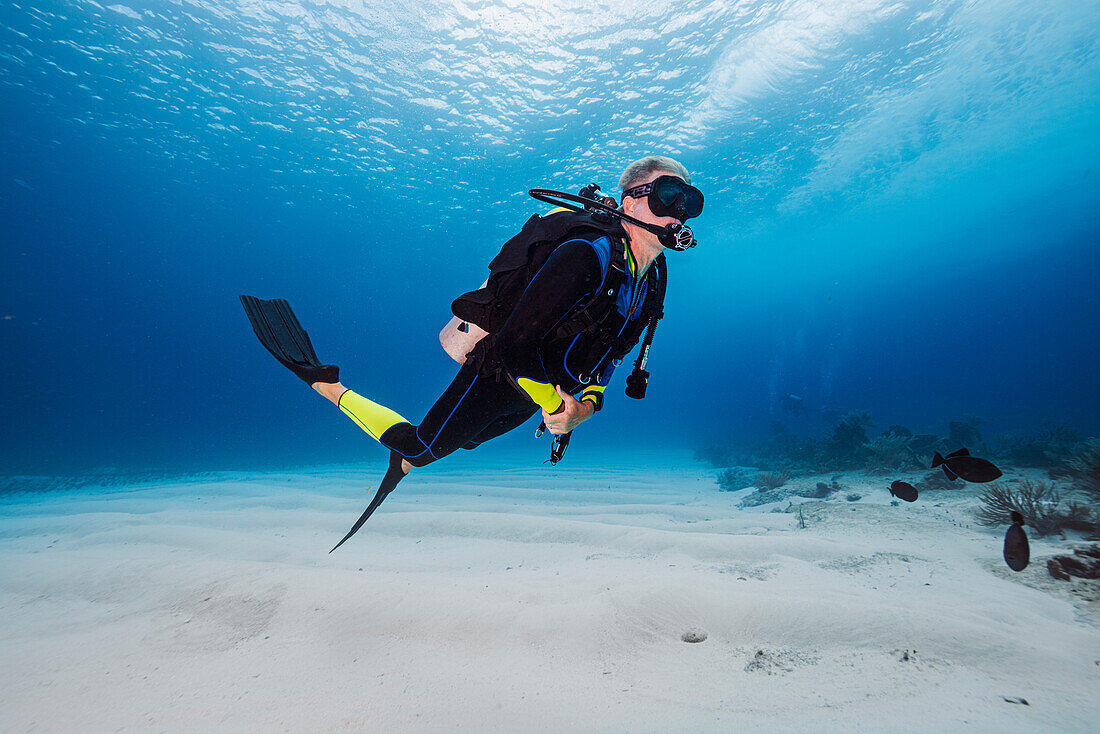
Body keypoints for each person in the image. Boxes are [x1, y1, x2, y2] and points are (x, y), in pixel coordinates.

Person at [240, 155, 704, 549]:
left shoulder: (652, 283)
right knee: (424, 448)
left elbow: (613, 356)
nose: (678, 214)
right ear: (631, 199)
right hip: (501, 373)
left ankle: (411, 453)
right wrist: (556, 406)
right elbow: (514, 344)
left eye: (688, 203)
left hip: (541, 394)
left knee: (469, 439)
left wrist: (585, 407)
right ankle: (326, 382)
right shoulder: (586, 253)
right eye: (667, 196)